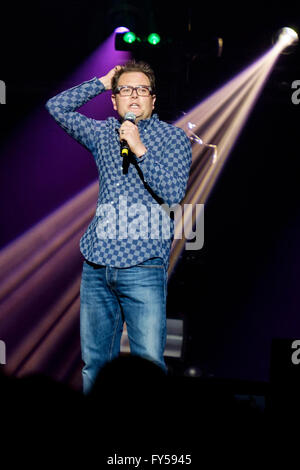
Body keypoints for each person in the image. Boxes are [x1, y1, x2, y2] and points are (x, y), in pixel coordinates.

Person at [45, 60, 192, 394]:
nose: (134, 96)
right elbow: (56, 107)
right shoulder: (103, 133)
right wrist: (102, 81)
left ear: (154, 99)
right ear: (115, 101)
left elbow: (172, 194)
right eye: (125, 90)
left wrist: (139, 148)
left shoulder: (174, 139)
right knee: (95, 364)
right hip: (97, 264)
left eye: (142, 90)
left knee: (150, 365)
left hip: (143, 264)